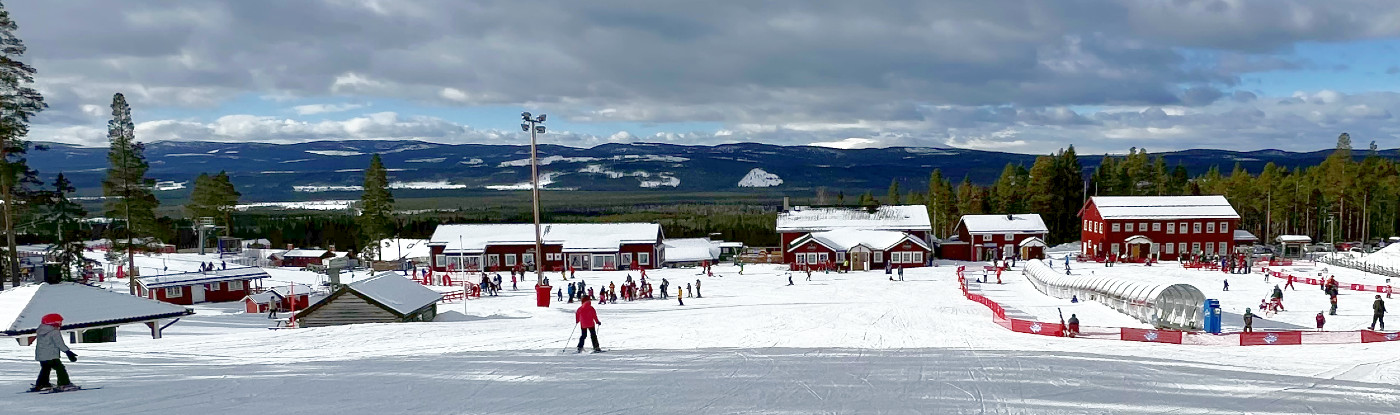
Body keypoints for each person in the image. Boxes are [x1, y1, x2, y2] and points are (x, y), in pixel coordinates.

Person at [31, 314, 79, 392]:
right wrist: (68, 352)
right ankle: (64, 383)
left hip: (41, 356)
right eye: (60, 322)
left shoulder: (41, 330)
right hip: (51, 355)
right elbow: (59, 343)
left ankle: (42, 384)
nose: (61, 325)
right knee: (60, 368)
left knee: (45, 369)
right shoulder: (54, 332)